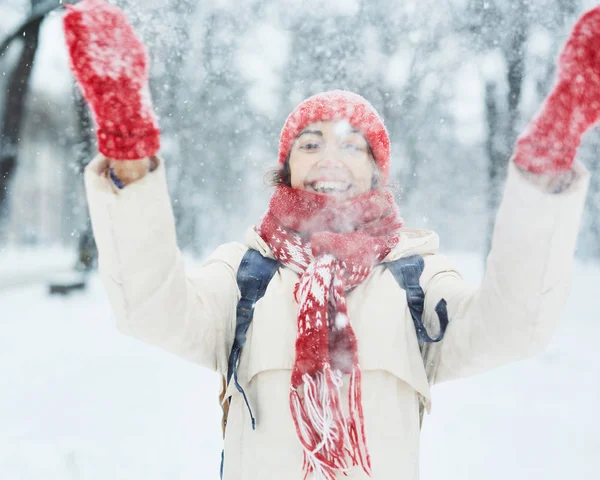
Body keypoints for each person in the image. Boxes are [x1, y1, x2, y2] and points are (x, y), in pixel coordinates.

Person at [63, 1, 597, 479]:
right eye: (311, 143)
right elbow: (149, 309)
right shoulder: (245, 274)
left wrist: (546, 165)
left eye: (353, 146)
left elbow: (514, 325)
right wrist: (128, 148)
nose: (329, 159)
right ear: (287, 168)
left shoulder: (417, 277)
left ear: (376, 172)